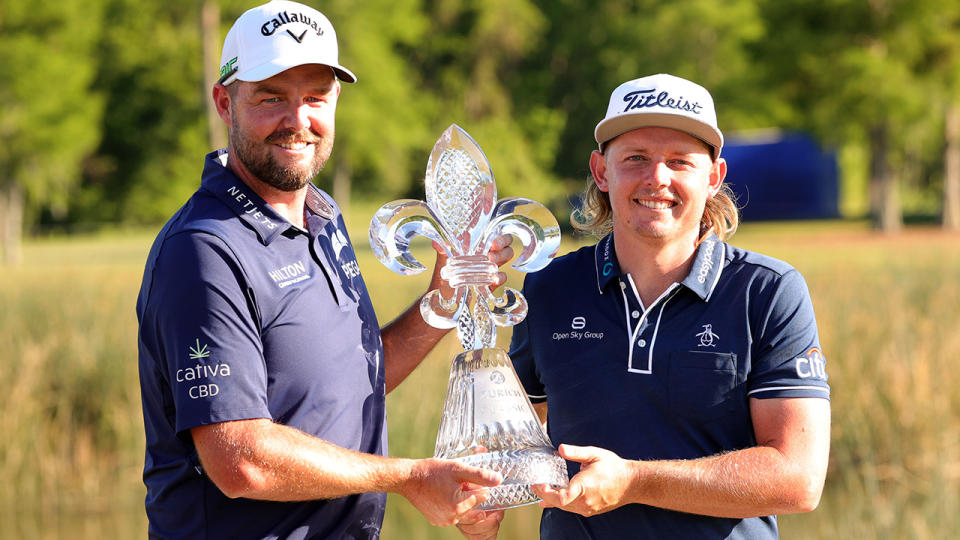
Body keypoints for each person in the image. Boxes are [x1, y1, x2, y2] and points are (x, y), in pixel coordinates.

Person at [136, 2, 509, 538]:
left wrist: (442, 304)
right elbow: (240, 460)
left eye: (315, 98)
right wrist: (407, 477)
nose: (298, 121)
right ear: (225, 102)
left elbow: (345, 384)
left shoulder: (323, 216)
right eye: (271, 98)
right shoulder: (203, 251)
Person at [457, 73, 831, 539]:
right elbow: (519, 433)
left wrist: (633, 482)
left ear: (713, 177)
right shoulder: (549, 287)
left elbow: (798, 479)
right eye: (636, 158)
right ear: (600, 171)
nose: (657, 178)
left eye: (679, 161)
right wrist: (486, 496)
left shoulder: (769, 291)